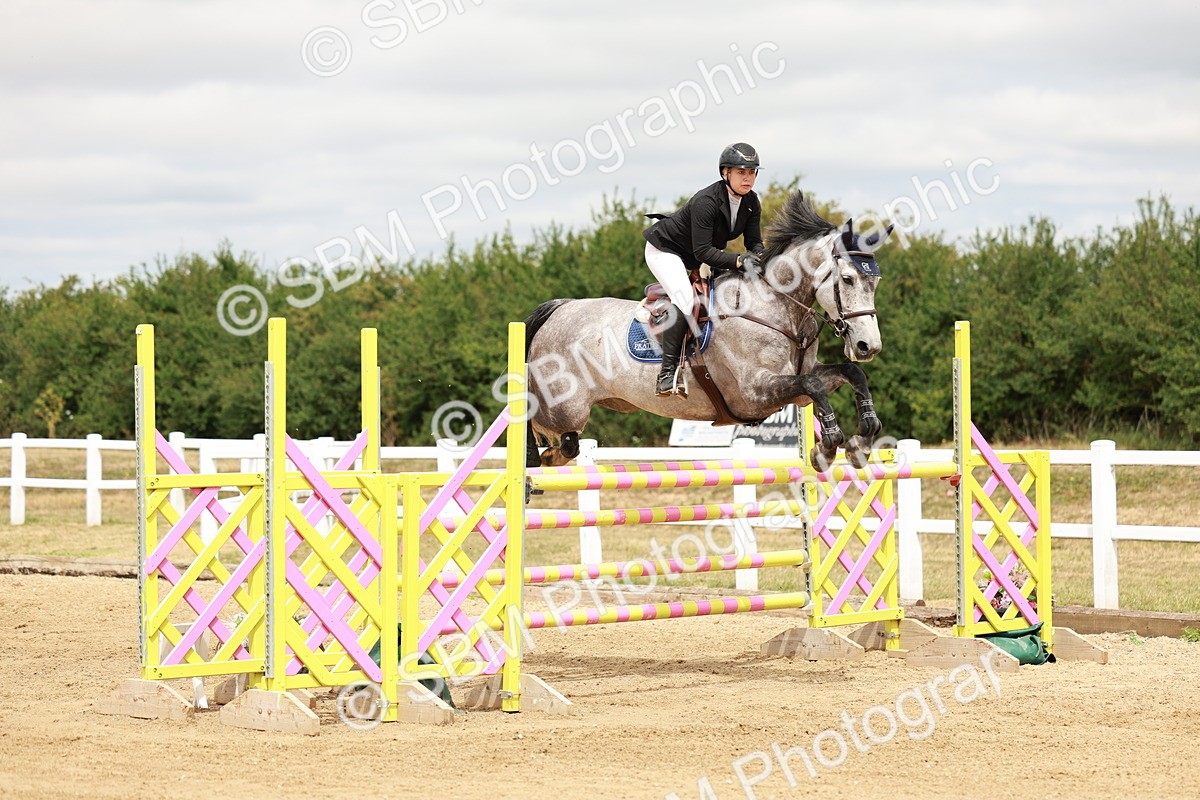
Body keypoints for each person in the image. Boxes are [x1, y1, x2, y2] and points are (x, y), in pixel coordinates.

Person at [642, 142, 766, 396]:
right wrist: (739, 261)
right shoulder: (706, 201)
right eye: (741, 172)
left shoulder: (751, 201)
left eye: (751, 172)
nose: (747, 178)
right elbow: (702, 252)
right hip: (666, 250)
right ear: (725, 173)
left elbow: (754, 242)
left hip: (698, 255)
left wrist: (762, 259)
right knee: (685, 300)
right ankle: (666, 375)